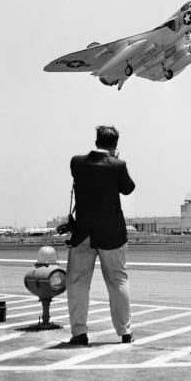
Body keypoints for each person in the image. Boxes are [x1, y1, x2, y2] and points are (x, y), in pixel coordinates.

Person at [66, 125, 135, 346]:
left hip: (83, 232)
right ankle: (124, 331)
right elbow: (128, 188)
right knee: (117, 281)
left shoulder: (76, 162)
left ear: (96, 140)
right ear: (115, 144)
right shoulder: (118, 165)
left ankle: (79, 332)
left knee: (77, 282)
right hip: (111, 234)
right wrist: (115, 160)